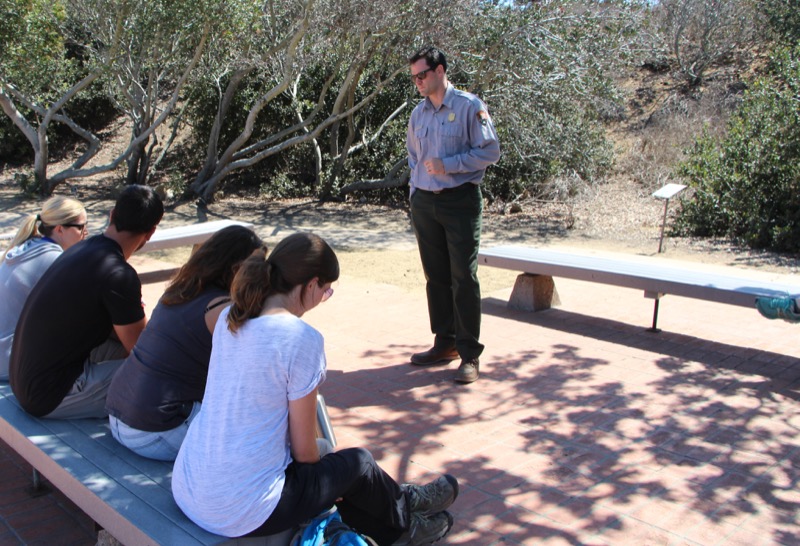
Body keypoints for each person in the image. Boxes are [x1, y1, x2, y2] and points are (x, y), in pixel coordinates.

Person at [172, 232, 458, 545]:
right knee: (357, 465)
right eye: (326, 290)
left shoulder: (231, 316)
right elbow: (305, 453)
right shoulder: (301, 338)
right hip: (240, 509)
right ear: (311, 285)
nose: (325, 297)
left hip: (190, 488)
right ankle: (406, 523)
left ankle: (403, 505)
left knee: (337, 472)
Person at [105, 225, 264, 460]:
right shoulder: (222, 310)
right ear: (237, 269)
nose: (261, 275)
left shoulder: (178, 291)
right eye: (257, 268)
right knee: (263, 429)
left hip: (119, 417)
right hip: (154, 431)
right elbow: (253, 374)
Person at [9, 184, 163, 419]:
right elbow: (142, 351)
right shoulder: (118, 274)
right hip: (49, 395)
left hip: (23, 380)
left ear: (112, 215)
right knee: (160, 375)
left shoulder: (77, 250)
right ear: (151, 232)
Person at [406, 46, 500, 384]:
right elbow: (413, 158)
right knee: (437, 277)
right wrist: (416, 194)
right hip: (425, 203)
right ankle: (444, 343)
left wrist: (450, 166)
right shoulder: (418, 114)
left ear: (440, 71)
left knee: (464, 277)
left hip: (460, 201)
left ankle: (470, 355)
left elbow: (490, 151)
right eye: (414, 77)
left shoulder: (469, 107)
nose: (417, 81)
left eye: (422, 75)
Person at [0, 196, 87, 381]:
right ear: (59, 229)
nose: (85, 232)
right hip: (11, 364)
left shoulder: (28, 247)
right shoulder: (55, 261)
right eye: (80, 227)